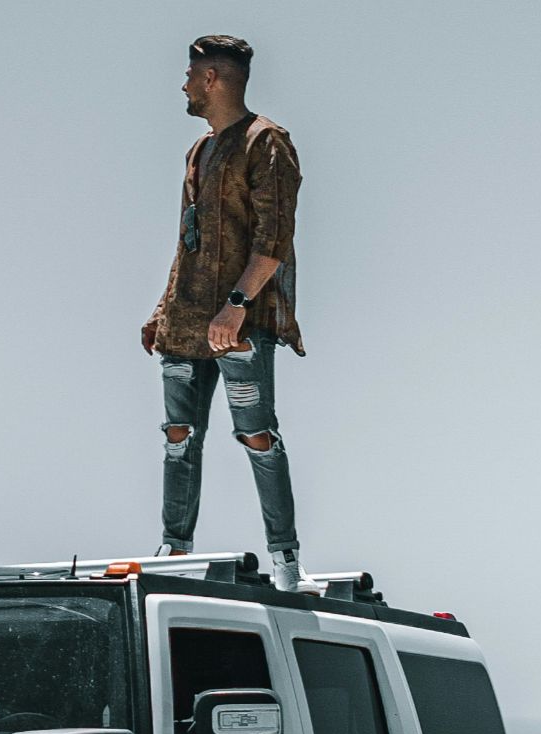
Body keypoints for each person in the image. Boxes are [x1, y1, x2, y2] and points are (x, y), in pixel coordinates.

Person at [141, 35, 314, 591]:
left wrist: (235, 307)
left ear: (211, 79)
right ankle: (174, 549)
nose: (185, 86)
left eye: (191, 76)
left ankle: (285, 561)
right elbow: (186, 241)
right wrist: (162, 310)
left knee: (257, 434)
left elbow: (274, 240)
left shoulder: (267, 142)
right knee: (178, 436)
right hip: (186, 321)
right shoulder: (199, 150)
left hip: (240, 324)